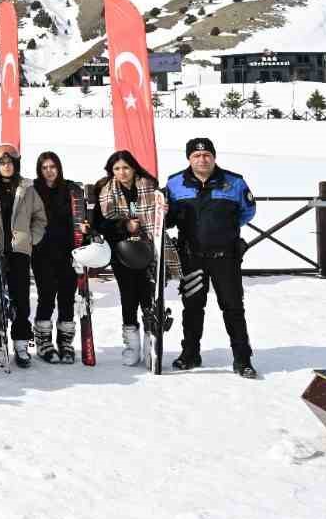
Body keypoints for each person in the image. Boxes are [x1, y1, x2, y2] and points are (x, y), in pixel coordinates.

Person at [166, 137, 258, 378]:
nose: (202, 159)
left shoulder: (234, 182)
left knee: (233, 308)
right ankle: (190, 354)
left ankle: (242, 359)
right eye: (196, 156)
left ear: (214, 157)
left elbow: (248, 211)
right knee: (193, 308)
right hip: (192, 257)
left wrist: (224, 230)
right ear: (189, 159)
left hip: (225, 258)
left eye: (207, 154)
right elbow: (169, 219)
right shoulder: (175, 183)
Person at [0, 144, 47, 368]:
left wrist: (31, 238)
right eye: (2, 163)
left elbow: (39, 217)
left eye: (10, 163)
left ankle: (21, 343)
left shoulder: (27, 188)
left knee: (20, 298)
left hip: (18, 251)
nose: (6, 167)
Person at [91, 149, 161, 367]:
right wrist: (123, 225)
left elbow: (163, 216)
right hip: (121, 252)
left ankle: (151, 343)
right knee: (128, 296)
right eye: (117, 169)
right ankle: (131, 345)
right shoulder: (105, 190)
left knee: (149, 297)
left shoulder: (149, 186)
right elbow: (99, 224)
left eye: (126, 168)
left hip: (149, 249)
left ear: (134, 168)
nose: (122, 172)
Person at [30, 151, 84, 363]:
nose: (49, 171)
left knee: (67, 297)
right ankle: (43, 342)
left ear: (59, 168)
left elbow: (81, 217)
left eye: (52, 167)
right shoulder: (33, 190)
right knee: (46, 296)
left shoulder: (70, 189)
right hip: (42, 251)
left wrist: (85, 229)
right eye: (44, 168)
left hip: (68, 251)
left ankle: (65, 342)